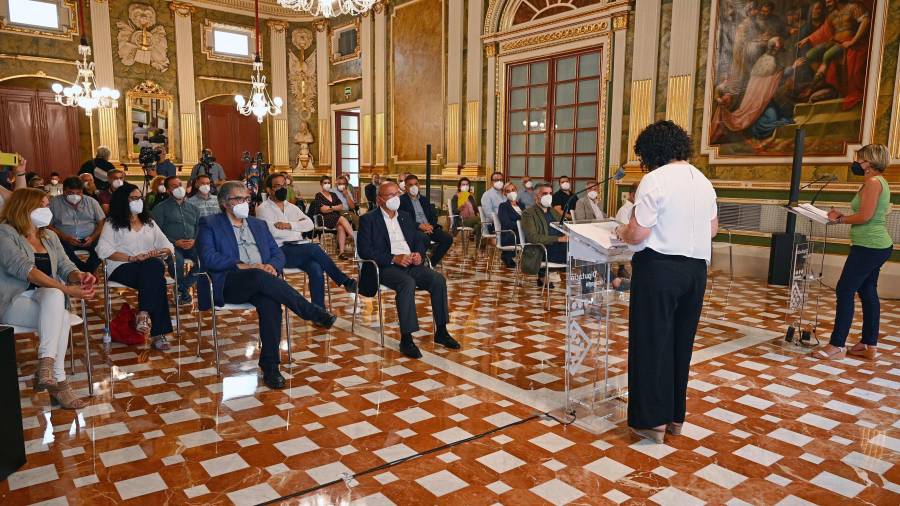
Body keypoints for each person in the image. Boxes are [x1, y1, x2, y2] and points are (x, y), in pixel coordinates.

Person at [614, 120, 718, 444]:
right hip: (696, 271)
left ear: (651, 151)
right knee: (680, 345)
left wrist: (621, 231)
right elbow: (712, 229)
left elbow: (639, 232)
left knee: (651, 343)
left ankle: (651, 422)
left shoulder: (654, 180)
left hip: (659, 268)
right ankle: (675, 418)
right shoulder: (704, 181)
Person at [196, 181, 337, 389]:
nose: (244, 203)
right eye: (238, 199)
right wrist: (243, 265)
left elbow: (277, 253)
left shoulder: (257, 224)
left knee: (270, 302)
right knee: (257, 275)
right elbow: (208, 258)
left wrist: (272, 266)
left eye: (246, 198)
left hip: (261, 282)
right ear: (225, 203)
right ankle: (310, 311)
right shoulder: (209, 223)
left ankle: (270, 366)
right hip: (229, 282)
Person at [0, 188, 97, 409]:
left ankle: (46, 366)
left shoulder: (49, 235)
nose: (47, 209)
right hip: (13, 300)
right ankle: (59, 382)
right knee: (61, 315)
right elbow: (25, 269)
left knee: (54, 295)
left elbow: (65, 266)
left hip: (46, 299)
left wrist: (79, 275)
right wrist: (68, 290)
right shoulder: (5, 232)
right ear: (26, 208)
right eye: (42, 205)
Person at [357, 181, 458, 359]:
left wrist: (419, 254)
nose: (396, 198)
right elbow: (365, 250)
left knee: (438, 280)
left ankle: (441, 331)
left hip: (411, 263)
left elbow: (418, 239)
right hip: (385, 266)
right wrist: (393, 258)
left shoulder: (405, 216)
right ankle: (407, 338)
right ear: (380, 199)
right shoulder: (369, 219)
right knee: (407, 283)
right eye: (390, 195)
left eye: (397, 194)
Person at [813, 144, 893, 361]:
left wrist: (840, 219)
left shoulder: (873, 183)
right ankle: (868, 345)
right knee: (868, 292)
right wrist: (843, 215)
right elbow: (867, 213)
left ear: (870, 162)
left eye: (860, 159)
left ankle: (837, 345)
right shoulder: (876, 182)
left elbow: (865, 217)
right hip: (875, 246)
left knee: (845, 290)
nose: (857, 163)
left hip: (869, 246)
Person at [257, 173, 357, 309]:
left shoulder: (292, 207)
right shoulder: (263, 209)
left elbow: (310, 224)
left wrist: (289, 226)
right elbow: (273, 232)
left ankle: (318, 311)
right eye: (278, 186)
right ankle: (345, 281)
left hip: (298, 247)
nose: (282, 188)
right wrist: (297, 228)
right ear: (269, 190)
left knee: (315, 267)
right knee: (315, 248)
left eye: (284, 185)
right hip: (279, 251)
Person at [96, 183, 176, 351]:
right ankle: (157, 334)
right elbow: (102, 249)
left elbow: (167, 244)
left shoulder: (149, 222)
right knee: (157, 280)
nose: (138, 201)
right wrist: (131, 258)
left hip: (149, 266)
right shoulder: (112, 223)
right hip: (122, 266)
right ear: (123, 201)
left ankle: (143, 314)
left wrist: (161, 251)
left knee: (153, 267)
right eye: (134, 198)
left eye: (140, 198)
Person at [152, 176, 200, 305]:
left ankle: (182, 287)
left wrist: (194, 240)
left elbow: (199, 228)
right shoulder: (160, 208)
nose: (179, 188)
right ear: (168, 190)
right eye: (174, 186)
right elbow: (157, 232)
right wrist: (175, 242)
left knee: (205, 259)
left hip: (192, 244)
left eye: (180, 184)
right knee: (176, 261)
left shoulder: (193, 208)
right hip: (172, 245)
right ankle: (184, 294)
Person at [48, 176, 105, 274]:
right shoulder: (54, 203)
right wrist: (64, 237)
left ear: (82, 191)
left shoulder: (91, 202)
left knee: (103, 246)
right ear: (64, 191)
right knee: (59, 249)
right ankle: (83, 270)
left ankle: (87, 269)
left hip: (90, 238)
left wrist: (92, 237)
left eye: (78, 193)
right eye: (70, 193)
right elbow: (48, 226)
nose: (75, 196)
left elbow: (101, 223)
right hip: (65, 238)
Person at [398, 174, 453, 266]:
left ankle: (431, 263)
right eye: (410, 185)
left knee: (447, 238)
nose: (414, 187)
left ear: (419, 186)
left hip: (429, 228)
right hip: (415, 229)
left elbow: (432, 216)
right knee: (424, 238)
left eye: (416, 184)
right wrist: (420, 226)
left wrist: (430, 225)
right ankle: (419, 263)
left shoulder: (424, 200)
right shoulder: (401, 201)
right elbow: (403, 219)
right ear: (406, 187)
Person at [521, 183, 567, 287]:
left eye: (550, 193)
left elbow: (564, 227)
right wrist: (559, 239)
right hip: (543, 250)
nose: (548, 196)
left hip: (559, 247)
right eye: (545, 193)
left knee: (587, 253)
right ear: (536, 196)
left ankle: (589, 288)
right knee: (583, 256)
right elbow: (532, 237)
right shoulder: (528, 213)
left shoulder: (554, 212)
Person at [314, 176, 354, 259]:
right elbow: (323, 210)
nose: (327, 184)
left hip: (335, 217)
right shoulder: (318, 195)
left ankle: (341, 253)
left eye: (328, 183)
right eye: (325, 183)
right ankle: (355, 238)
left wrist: (330, 208)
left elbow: (341, 206)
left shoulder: (333, 194)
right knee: (342, 219)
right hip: (324, 218)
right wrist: (334, 207)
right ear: (321, 184)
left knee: (341, 227)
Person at [497, 182, 523, 268]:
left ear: (516, 191)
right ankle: (507, 256)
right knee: (532, 237)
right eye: (508, 191)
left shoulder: (522, 205)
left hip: (522, 233)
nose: (511, 192)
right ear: (504, 194)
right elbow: (506, 223)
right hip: (509, 234)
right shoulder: (503, 206)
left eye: (513, 190)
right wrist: (521, 225)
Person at [449, 178, 481, 242]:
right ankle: (470, 233)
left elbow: (476, 210)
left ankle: (478, 248)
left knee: (479, 225)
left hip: (473, 219)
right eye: (463, 184)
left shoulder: (471, 196)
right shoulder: (456, 196)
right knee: (481, 219)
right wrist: (460, 208)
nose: (465, 186)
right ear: (459, 186)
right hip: (462, 221)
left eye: (467, 184)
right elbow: (454, 211)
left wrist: (479, 214)